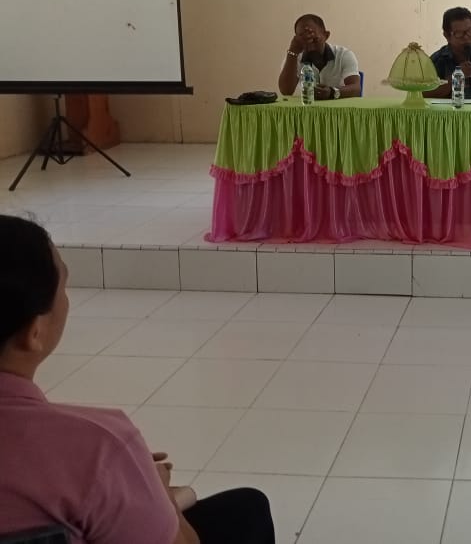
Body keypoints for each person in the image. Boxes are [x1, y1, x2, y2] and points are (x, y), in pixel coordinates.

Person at [0, 215, 275, 544]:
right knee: (247, 511)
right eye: (64, 286)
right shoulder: (97, 449)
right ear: (35, 332)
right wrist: (160, 495)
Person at [278, 13, 361, 100]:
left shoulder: (343, 55)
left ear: (326, 35)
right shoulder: (294, 57)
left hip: (339, 107)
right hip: (307, 106)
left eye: (315, 40)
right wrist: (292, 52)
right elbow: (286, 91)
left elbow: (356, 89)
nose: (311, 48)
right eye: (304, 41)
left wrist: (332, 92)